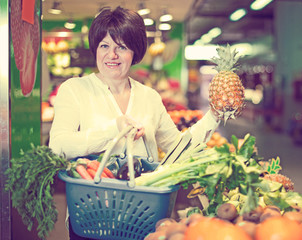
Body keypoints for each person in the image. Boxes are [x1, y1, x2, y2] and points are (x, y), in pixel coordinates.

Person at [49, 6, 220, 240]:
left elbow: (179, 149)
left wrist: (214, 115)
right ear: (95, 49)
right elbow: (57, 146)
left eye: (121, 47)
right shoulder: (75, 90)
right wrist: (113, 129)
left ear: (135, 51)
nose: (112, 55)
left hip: (143, 216)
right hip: (91, 215)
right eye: (104, 46)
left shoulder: (150, 97)